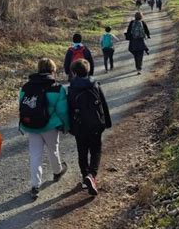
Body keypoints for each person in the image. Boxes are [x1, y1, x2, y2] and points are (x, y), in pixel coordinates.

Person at [19, 58, 69, 200]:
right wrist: (66, 126)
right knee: (53, 149)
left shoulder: (26, 87)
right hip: (50, 126)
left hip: (31, 126)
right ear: (52, 70)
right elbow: (62, 111)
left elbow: (22, 106)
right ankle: (57, 171)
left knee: (35, 155)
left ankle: (35, 185)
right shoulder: (56, 88)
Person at [68, 59, 112, 196]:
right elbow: (103, 105)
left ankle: (84, 176)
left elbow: (69, 109)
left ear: (73, 72)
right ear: (88, 70)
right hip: (96, 124)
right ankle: (92, 175)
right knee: (96, 150)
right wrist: (107, 122)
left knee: (82, 152)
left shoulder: (71, 89)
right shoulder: (95, 85)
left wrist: (70, 127)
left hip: (80, 126)